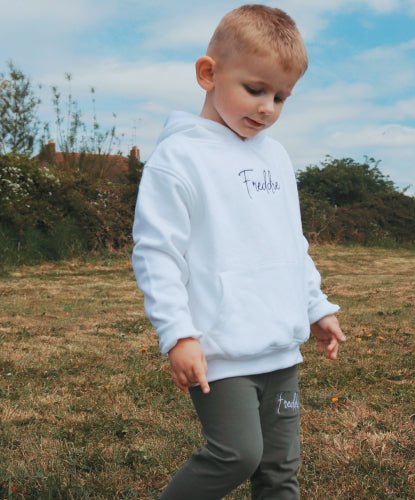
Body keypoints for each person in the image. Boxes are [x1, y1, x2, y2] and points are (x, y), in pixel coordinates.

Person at [132, 4, 345, 499]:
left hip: (279, 347)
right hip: (220, 351)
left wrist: (316, 307)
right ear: (208, 74)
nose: (267, 107)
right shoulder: (178, 158)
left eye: (280, 96)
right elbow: (157, 253)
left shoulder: (276, 155)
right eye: (254, 89)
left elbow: (290, 243)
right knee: (237, 453)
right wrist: (178, 335)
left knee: (280, 469)